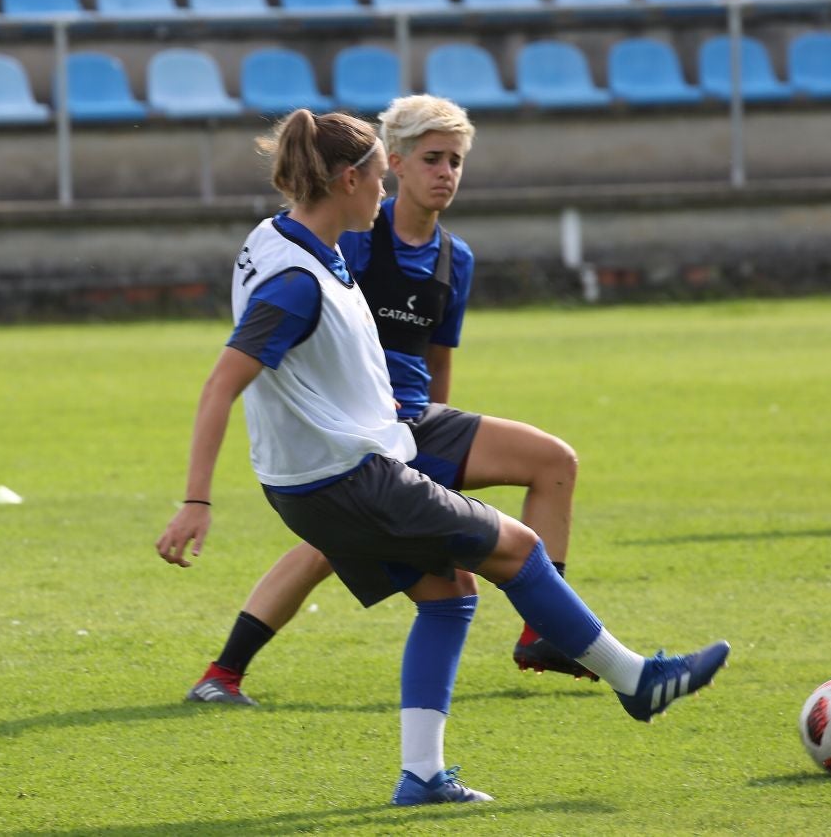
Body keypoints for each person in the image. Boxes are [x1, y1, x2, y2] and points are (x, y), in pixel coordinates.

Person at [155, 108, 730, 805]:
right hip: (346, 476)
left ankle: (422, 775)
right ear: (347, 180)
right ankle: (635, 680)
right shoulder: (297, 282)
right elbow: (223, 381)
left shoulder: (290, 240)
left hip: (322, 476)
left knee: (449, 596)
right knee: (516, 548)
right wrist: (195, 500)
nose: (384, 193)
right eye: (377, 178)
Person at [186, 95, 589, 709]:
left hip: (416, 421)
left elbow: (438, 355)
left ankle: (544, 634)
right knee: (332, 546)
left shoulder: (456, 257)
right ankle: (225, 670)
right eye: (432, 159)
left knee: (553, 460)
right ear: (392, 165)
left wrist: (430, 437)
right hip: (357, 431)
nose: (445, 173)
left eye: (455, 160)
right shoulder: (354, 236)